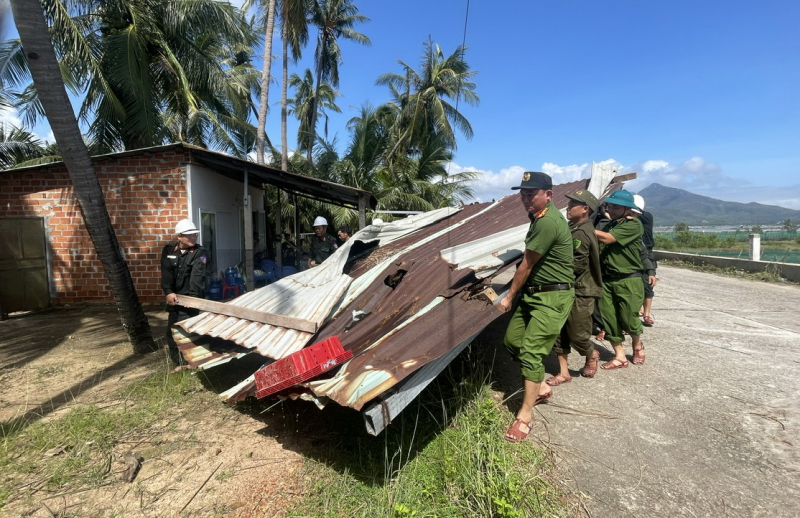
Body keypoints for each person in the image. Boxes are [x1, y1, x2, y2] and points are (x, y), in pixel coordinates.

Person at [498, 172, 575, 442]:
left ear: (548, 194)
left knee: (531, 353)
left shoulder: (548, 222)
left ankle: (525, 417)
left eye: (531, 194)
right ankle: (540, 386)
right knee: (511, 341)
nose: (525, 199)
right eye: (523, 194)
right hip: (535, 295)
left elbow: (526, 265)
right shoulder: (538, 217)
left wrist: (508, 297)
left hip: (552, 298)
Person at [546, 189, 603, 386]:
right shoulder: (572, 227)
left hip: (581, 289)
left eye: (573, 205)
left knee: (578, 333)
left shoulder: (582, 231)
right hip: (566, 287)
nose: (568, 208)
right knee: (559, 329)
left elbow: (577, 264)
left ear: (585, 209)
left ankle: (590, 353)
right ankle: (563, 372)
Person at [594, 190, 645, 369]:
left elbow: (607, 239)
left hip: (628, 279)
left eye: (616, 207)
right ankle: (620, 356)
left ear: (627, 209)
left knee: (629, 318)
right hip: (607, 280)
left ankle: (637, 345)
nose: (612, 209)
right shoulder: (609, 225)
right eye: (610, 206)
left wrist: (582, 227)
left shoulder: (633, 225)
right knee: (609, 318)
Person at [161, 218, 208, 366]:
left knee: (188, 331)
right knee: (171, 332)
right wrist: (168, 291)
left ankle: (193, 361)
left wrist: (192, 300)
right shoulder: (169, 251)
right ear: (179, 236)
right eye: (189, 235)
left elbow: (197, 278)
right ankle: (179, 362)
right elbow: (166, 272)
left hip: (190, 300)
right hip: (174, 300)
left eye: (194, 235)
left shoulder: (200, 253)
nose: (193, 237)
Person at [633, 194, 657, 326]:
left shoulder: (646, 216)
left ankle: (647, 315)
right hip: (635, 254)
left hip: (646, 253)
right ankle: (638, 311)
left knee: (647, 286)